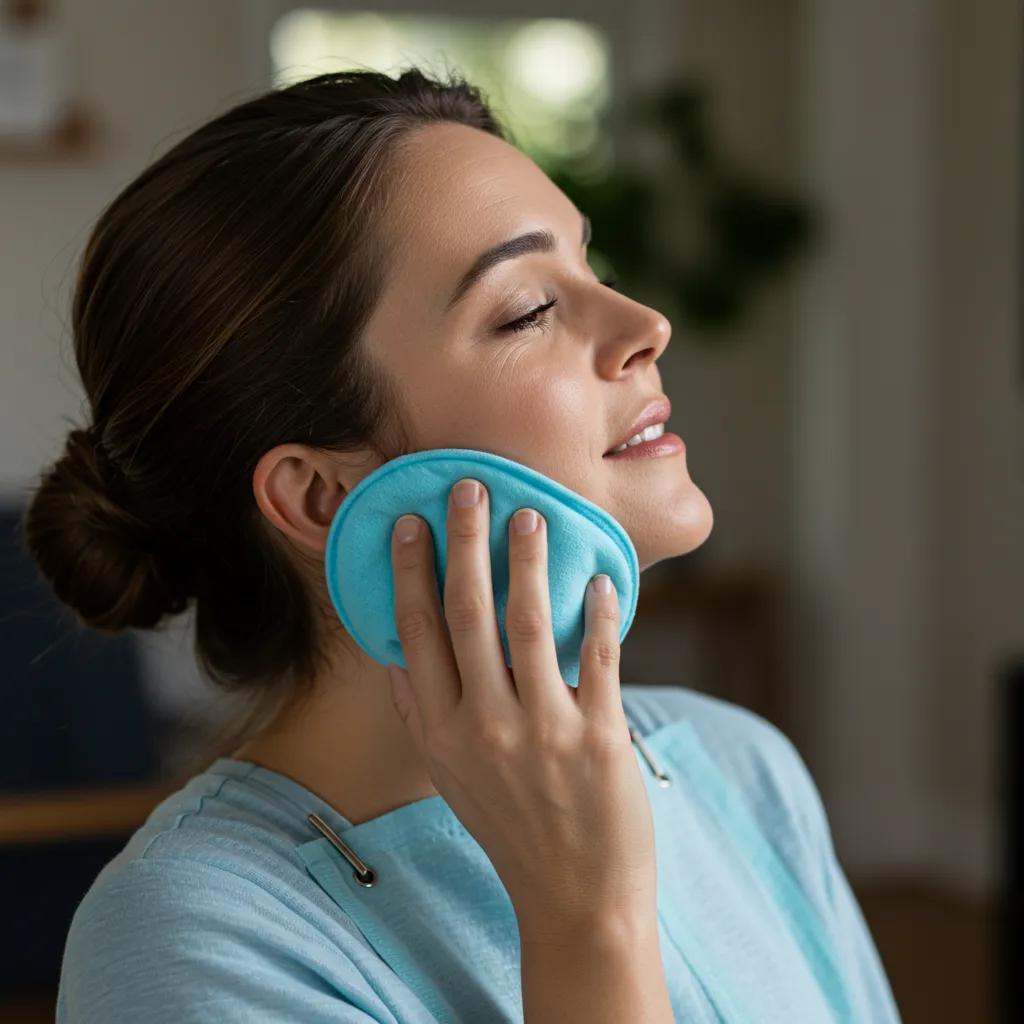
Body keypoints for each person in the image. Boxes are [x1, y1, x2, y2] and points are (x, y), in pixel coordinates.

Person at [22, 67, 901, 1022]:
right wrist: (585, 921)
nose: (647, 326)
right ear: (320, 496)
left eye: (591, 268)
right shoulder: (188, 939)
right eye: (527, 310)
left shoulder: (735, 766)